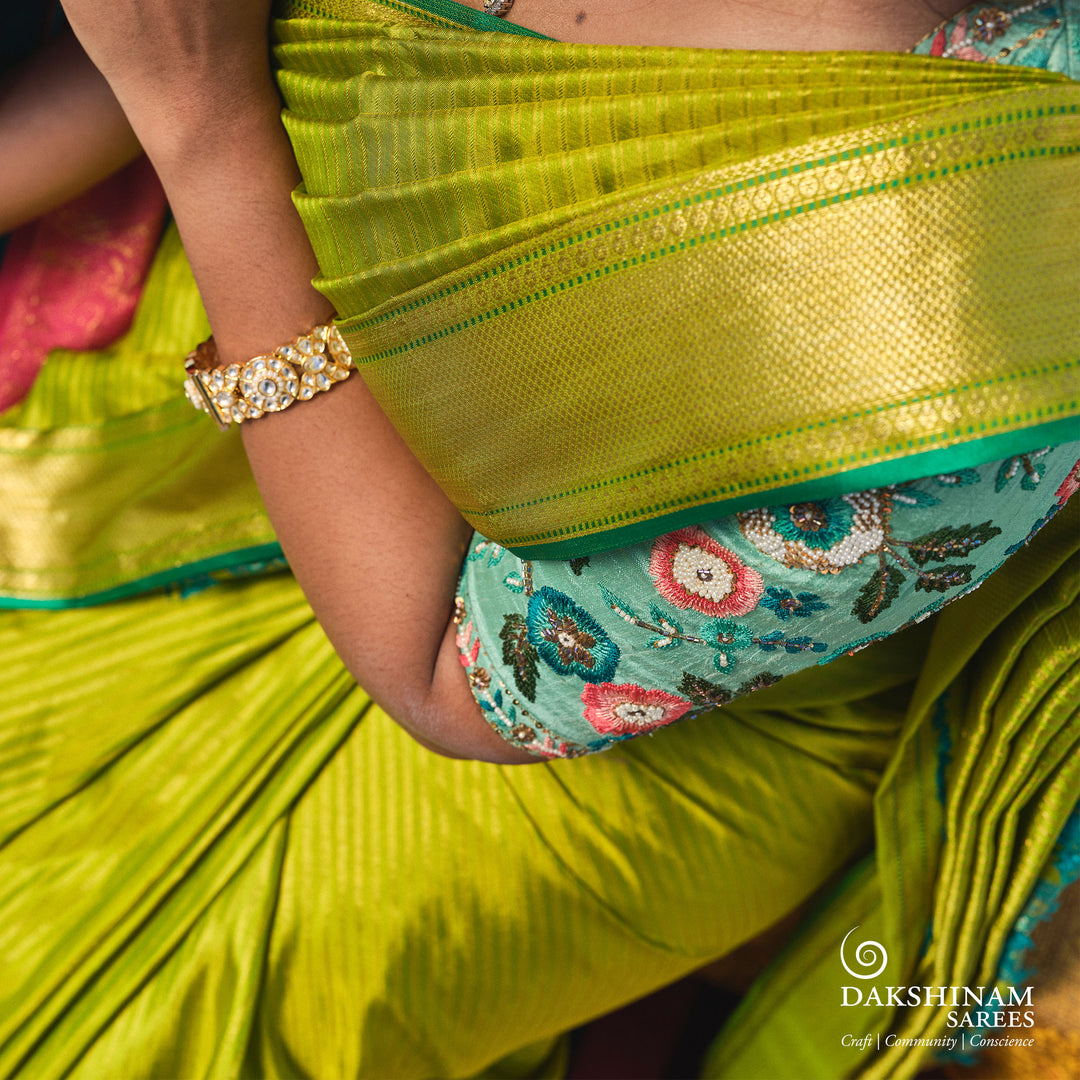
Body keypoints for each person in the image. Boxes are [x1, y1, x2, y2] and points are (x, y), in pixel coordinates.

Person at [0, 1, 1076, 1077]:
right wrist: (182, 108)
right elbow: (190, 28)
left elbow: (446, 677)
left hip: (597, 715)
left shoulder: (1023, 222)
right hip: (281, 308)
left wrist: (205, 135)